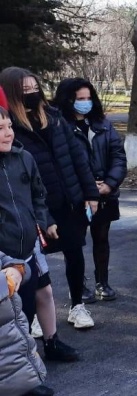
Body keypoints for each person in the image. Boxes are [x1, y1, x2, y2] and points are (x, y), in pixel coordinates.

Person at [0, 67, 100, 332]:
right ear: (12, 93)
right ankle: (33, 315)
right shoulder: (10, 127)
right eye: (26, 90)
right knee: (34, 266)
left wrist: (90, 193)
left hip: (69, 200)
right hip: (37, 207)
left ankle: (77, 305)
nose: (33, 93)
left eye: (36, 87)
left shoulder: (54, 118)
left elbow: (78, 157)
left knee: (75, 254)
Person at [52, 78, 127, 302]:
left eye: (88, 98)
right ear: (68, 100)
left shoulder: (102, 124)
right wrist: (84, 189)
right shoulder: (59, 126)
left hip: (105, 194)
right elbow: (61, 162)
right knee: (74, 242)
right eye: (79, 99)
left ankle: (102, 283)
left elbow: (118, 156)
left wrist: (108, 184)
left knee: (101, 238)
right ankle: (78, 286)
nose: (85, 103)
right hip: (76, 197)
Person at [0, 100, 55, 396]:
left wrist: (44, 222)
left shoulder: (24, 158)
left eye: (9, 126)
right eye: (0, 129)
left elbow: (38, 195)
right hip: (1, 260)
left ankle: (25, 380)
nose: (8, 133)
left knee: (23, 318)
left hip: (26, 252)